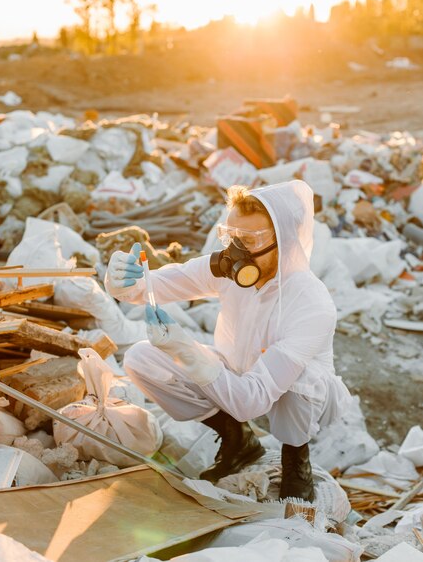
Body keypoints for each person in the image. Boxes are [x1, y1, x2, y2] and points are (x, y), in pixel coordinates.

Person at [105, 180, 352, 501]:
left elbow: (253, 400)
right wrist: (122, 278)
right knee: (141, 358)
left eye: (248, 239)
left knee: (302, 380)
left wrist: (188, 351)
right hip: (236, 367)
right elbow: (149, 288)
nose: (234, 250)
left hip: (294, 393)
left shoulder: (311, 302)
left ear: (286, 241)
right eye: (230, 235)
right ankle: (237, 438)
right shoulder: (229, 270)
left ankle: (296, 458)